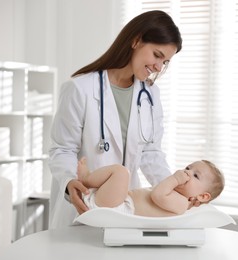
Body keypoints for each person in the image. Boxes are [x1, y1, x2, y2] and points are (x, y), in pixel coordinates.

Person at [48, 10, 183, 228]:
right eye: (157, 55)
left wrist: (176, 192)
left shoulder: (150, 95)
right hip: (82, 205)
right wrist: (69, 182)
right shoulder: (79, 89)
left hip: (125, 208)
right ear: (136, 40)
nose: (159, 67)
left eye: (165, 61)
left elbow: (151, 153)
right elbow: (62, 149)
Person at [76, 157, 225, 217]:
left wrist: (174, 178)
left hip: (118, 208)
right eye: (188, 168)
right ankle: (89, 180)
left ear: (203, 196)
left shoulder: (181, 204)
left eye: (196, 175)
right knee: (120, 174)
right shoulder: (174, 192)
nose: (187, 172)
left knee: (121, 172)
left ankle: (87, 178)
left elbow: (157, 195)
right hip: (118, 202)